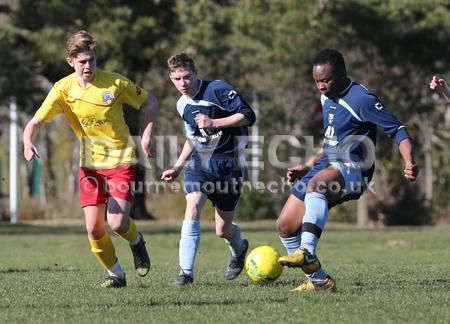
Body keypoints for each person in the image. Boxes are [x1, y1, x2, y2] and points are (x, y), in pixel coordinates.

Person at [23, 30, 158, 288]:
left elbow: (150, 101)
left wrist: (147, 136)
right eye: (82, 61)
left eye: (92, 60)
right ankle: (116, 275)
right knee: (94, 230)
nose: (88, 66)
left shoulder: (115, 84)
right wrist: (28, 142)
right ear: (70, 62)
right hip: (90, 164)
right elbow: (35, 122)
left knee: (117, 222)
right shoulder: (63, 89)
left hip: (121, 159)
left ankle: (136, 241)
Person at [276, 48, 419, 292]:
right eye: (317, 81)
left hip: (355, 169)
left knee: (316, 186)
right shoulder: (326, 97)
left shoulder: (361, 99)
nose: (321, 86)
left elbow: (398, 129)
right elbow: (332, 141)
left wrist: (409, 161)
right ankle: (319, 281)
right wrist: (308, 165)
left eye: (326, 80)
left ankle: (307, 250)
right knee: (285, 225)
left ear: (342, 74)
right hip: (326, 164)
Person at [161, 53, 256, 286]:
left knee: (222, 230)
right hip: (200, 165)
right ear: (170, 78)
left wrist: (216, 123)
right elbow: (193, 138)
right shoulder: (182, 104)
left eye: (186, 77)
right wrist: (177, 166)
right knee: (192, 205)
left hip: (228, 165)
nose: (183, 83)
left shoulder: (218, 89)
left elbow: (248, 115)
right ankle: (186, 273)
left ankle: (239, 249)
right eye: (176, 79)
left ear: (195, 72)